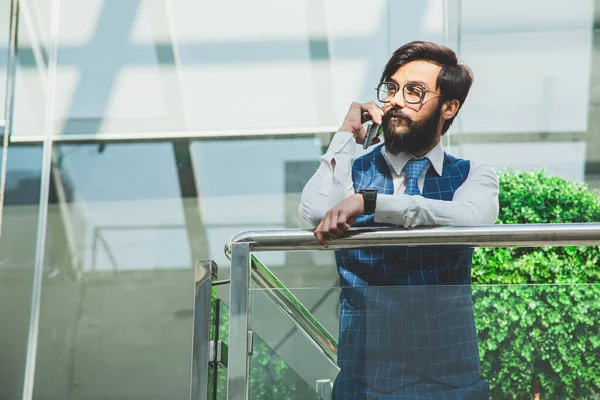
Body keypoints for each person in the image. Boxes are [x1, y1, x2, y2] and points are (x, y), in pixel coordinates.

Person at [299, 41, 499, 399]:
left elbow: (470, 220)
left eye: (414, 92)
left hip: (452, 383)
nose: (395, 100)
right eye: (391, 88)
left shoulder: (475, 175)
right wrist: (346, 134)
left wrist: (373, 204)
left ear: (449, 107)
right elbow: (314, 212)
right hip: (365, 382)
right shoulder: (353, 172)